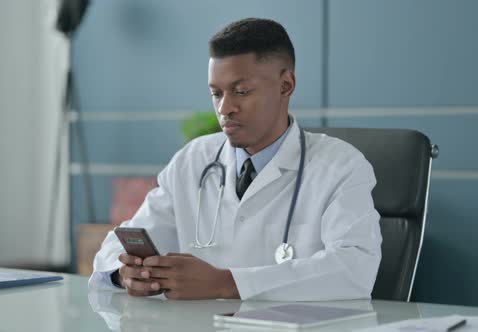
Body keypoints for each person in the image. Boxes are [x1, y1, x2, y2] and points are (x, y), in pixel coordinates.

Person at [89, 18, 382, 301]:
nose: (224, 108)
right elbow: (118, 245)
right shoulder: (194, 160)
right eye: (216, 93)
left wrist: (227, 283)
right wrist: (125, 275)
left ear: (286, 85)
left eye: (241, 92)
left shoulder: (341, 166)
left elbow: (354, 268)